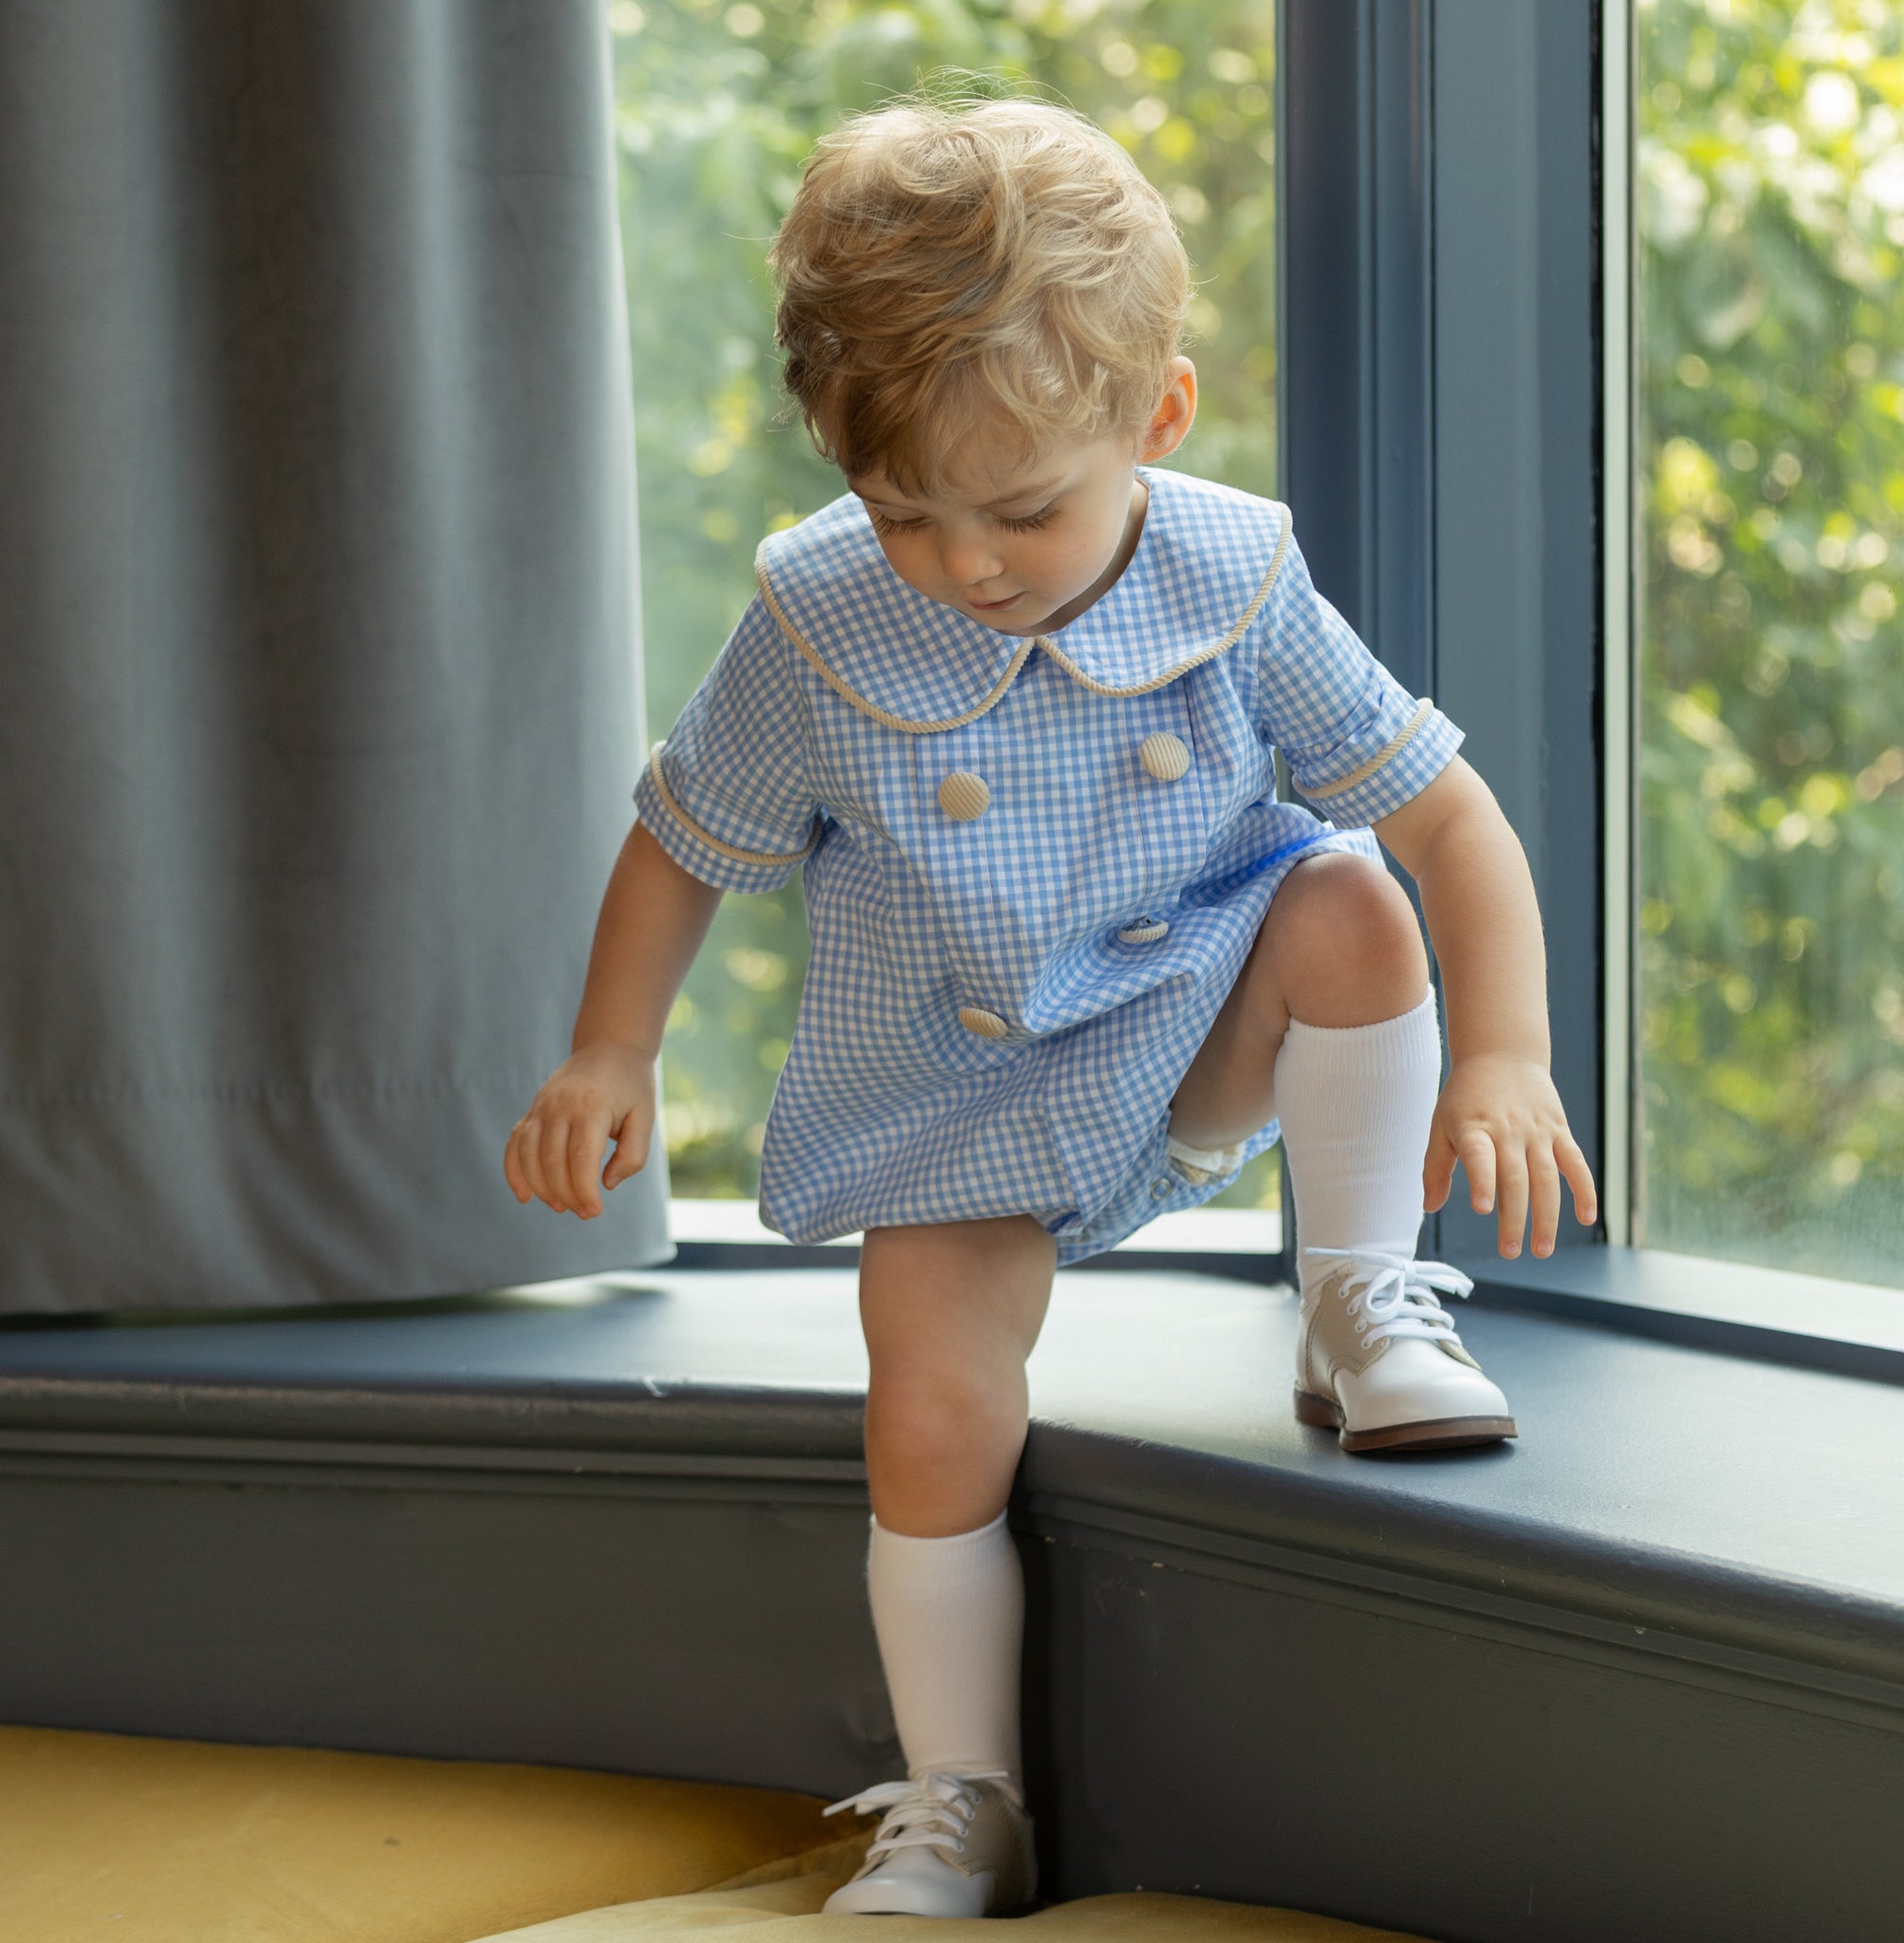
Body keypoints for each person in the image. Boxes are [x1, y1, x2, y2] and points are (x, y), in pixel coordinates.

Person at [504, 96, 1597, 1919]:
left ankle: (1357, 1296)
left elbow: (1447, 818)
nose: (968, 563)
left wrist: (1505, 1054)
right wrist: (612, 1044)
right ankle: (963, 1797)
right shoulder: (819, 622)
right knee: (927, 1415)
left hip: (1191, 1023)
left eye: (1023, 508)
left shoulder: (1230, 574)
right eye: (901, 509)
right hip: (959, 1100)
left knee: (1342, 899)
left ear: (1155, 418)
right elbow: (679, 840)